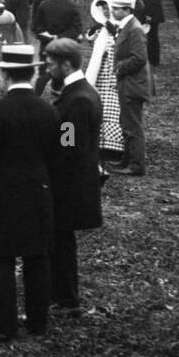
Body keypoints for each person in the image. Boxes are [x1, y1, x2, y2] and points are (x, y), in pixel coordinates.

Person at [0, 44, 59, 342]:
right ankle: (37, 322)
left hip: (2, 196)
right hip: (38, 193)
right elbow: (59, 154)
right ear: (33, 73)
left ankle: (3, 324)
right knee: (37, 258)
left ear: (5, 73)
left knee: (0, 260)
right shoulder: (50, 111)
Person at [44, 37, 103, 315]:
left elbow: (68, 145)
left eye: (50, 62)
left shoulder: (76, 100)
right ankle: (61, 294)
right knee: (59, 240)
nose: (47, 67)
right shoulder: (82, 92)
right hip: (72, 180)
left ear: (66, 65)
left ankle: (66, 299)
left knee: (61, 241)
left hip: (68, 184)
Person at [103, 0, 149, 176]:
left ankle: (137, 165)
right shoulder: (127, 26)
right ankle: (126, 160)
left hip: (132, 84)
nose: (113, 12)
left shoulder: (134, 29)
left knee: (132, 125)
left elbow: (139, 58)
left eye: (117, 9)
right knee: (126, 122)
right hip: (127, 82)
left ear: (127, 10)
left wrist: (119, 67)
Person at [31, 0, 82, 95]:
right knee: (62, 73)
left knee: (43, 74)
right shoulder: (72, 7)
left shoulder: (44, 5)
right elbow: (77, 29)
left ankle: (35, 98)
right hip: (64, 47)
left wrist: (47, 36)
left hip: (46, 46)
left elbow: (35, 26)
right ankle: (58, 98)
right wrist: (59, 37)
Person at [138, 0, 165, 67]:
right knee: (153, 37)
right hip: (155, 14)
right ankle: (154, 59)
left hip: (151, 15)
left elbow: (150, 1)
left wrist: (148, 15)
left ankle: (152, 59)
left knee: (151, 38)